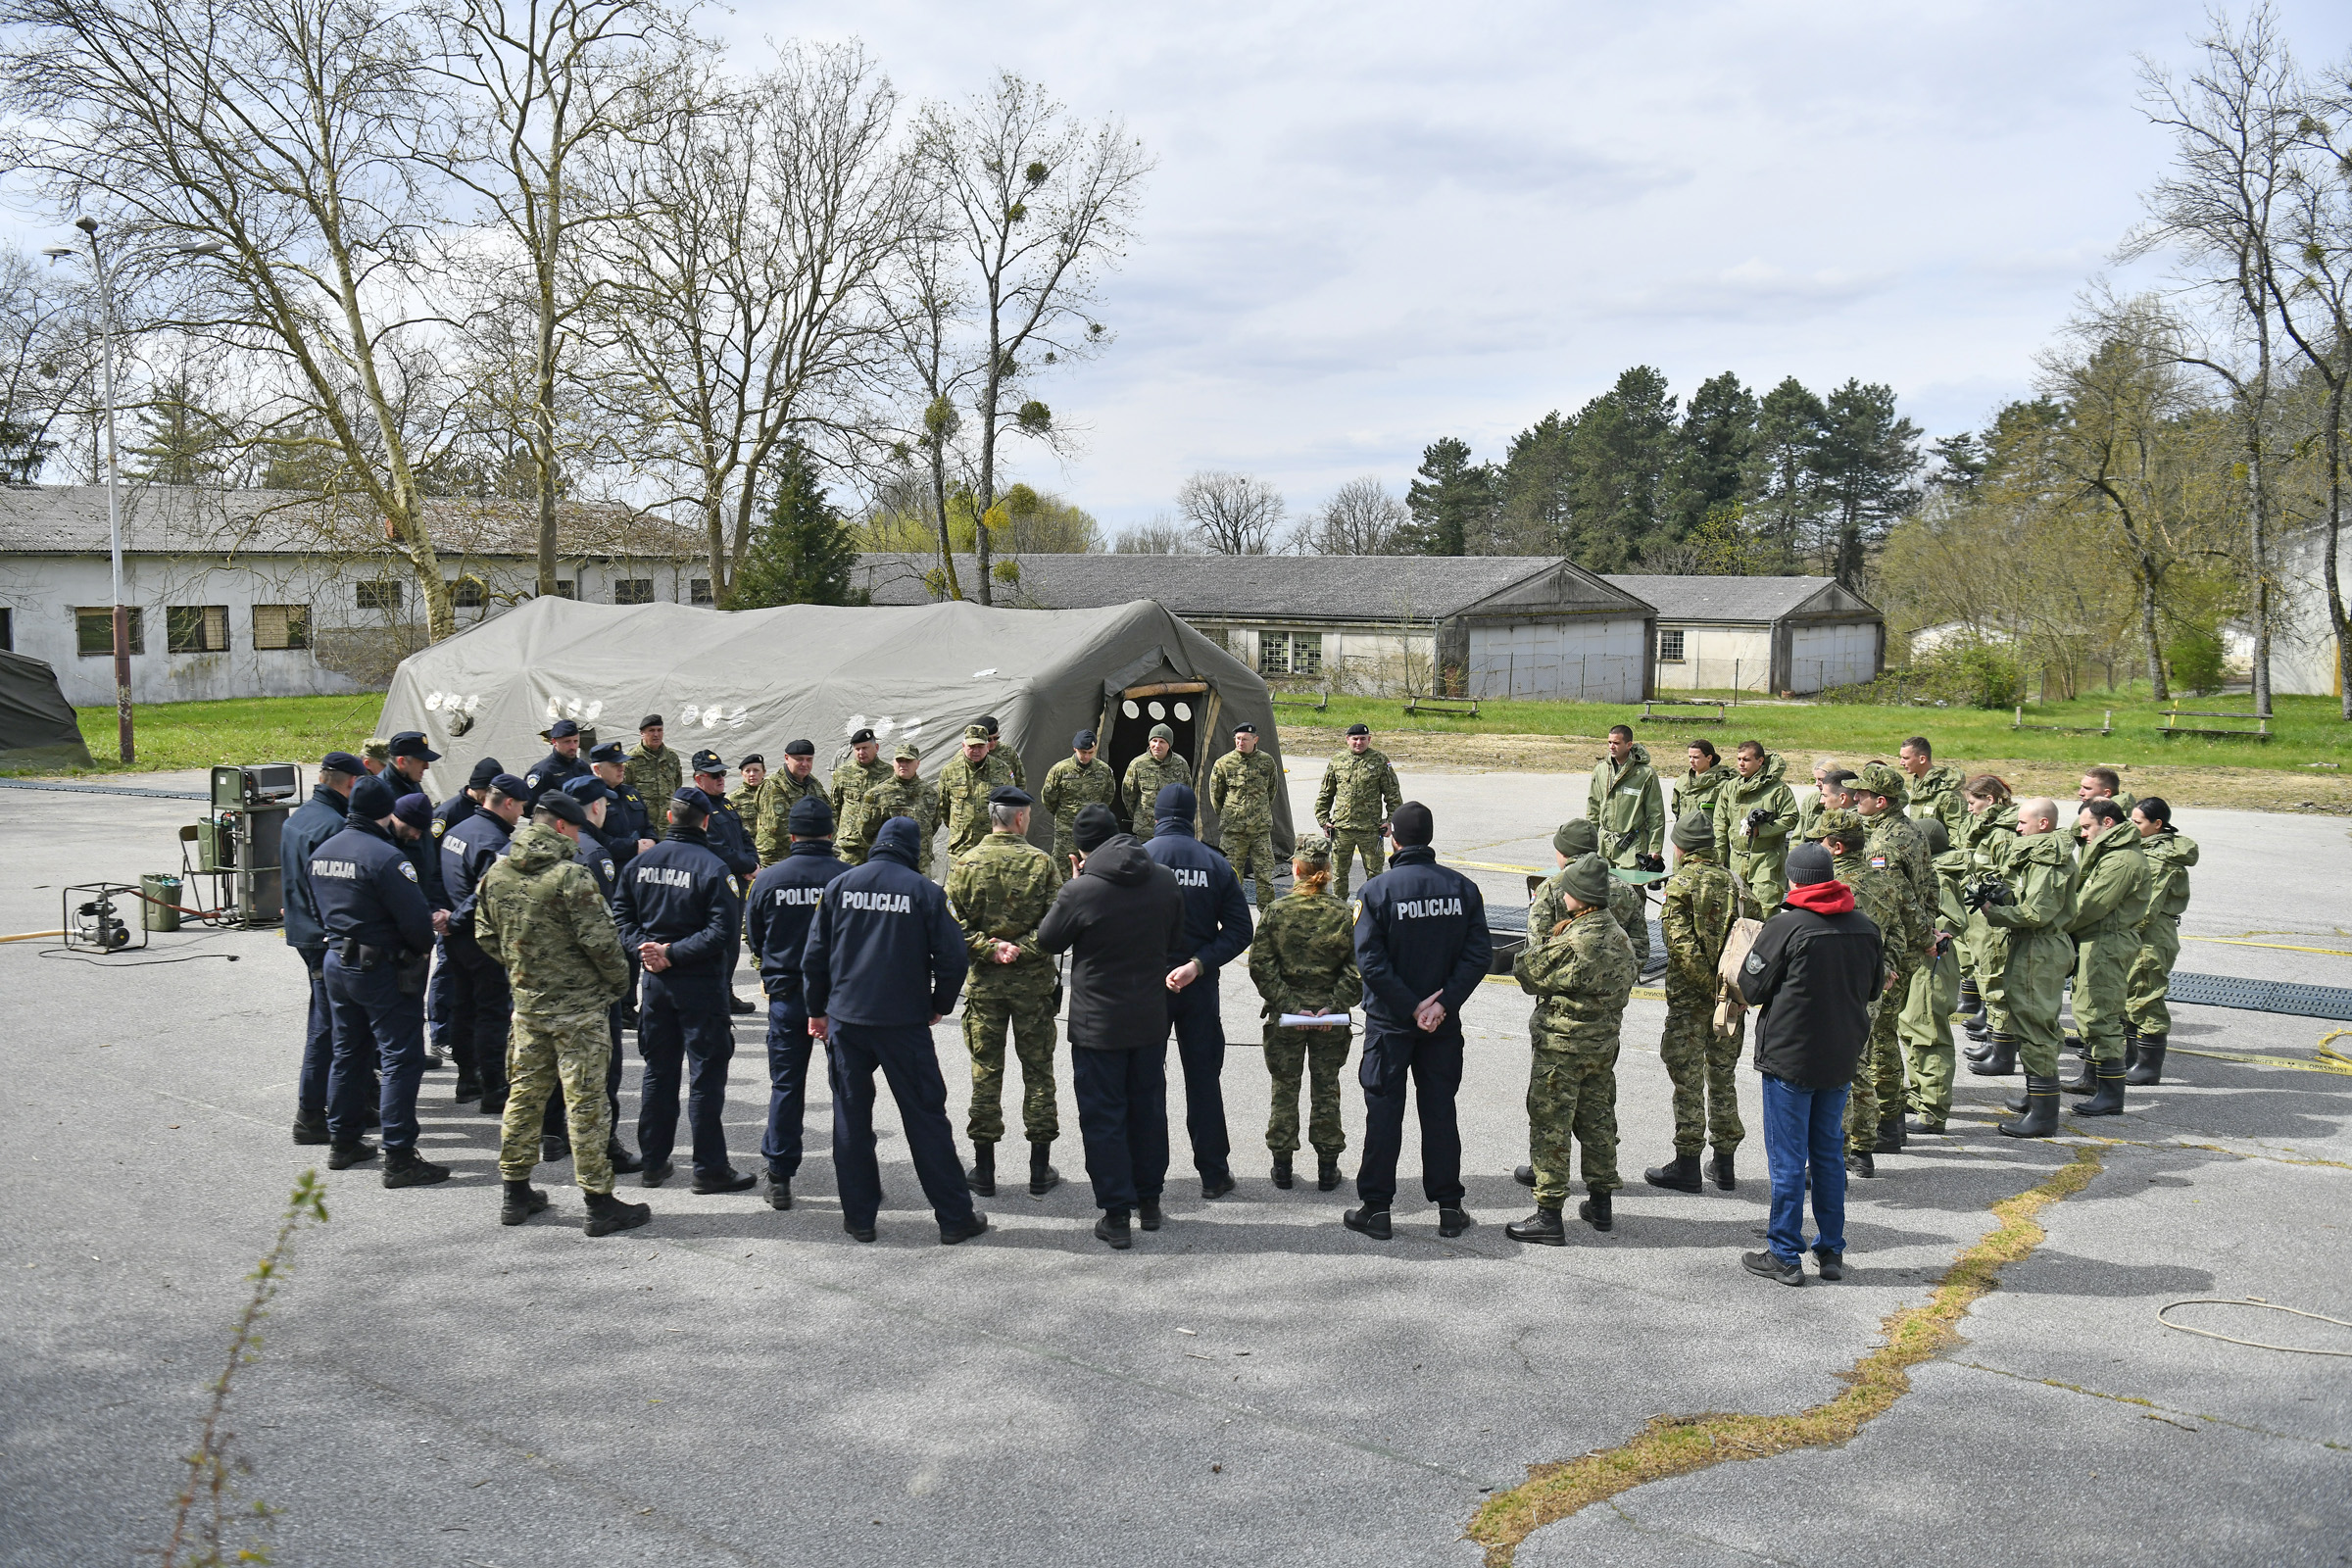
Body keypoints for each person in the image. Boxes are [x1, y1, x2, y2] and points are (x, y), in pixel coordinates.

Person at [804, 814, 988, 1246]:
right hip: (903, 1023)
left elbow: (814, 956)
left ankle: (860, 1217)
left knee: (850, 1117)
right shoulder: (924, 891)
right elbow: (954, 956)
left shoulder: (840, 886)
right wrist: (939, 1005)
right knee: (926, 1118)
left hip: (847, 1020)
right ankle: (955, 1218)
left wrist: (817, 1011)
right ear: (913, 850)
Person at [474, 790, 649, 1237]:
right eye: (574, 830)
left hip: (529, 1008)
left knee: (524, 1100)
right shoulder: (572, 877)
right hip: (580, 1015)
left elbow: (484, 936)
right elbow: (604, 946)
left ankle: (515, 1193)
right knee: (586, 1105)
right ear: (559, 827)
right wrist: (617, 987)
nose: (576, 838)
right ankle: (599, 1202)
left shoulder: (497, 873)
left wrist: (525, 972)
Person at [1036, 804, 1187, 1250]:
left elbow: (1048, 940)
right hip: (1148, 1017)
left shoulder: (1082, 890)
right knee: (1148, 1108)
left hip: (1097, 1024)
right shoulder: (1163, 879)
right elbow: (1176, 940)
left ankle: (1116, 1213)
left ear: (1080, 851)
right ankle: (1151, 1199)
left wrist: (1075, 882)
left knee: (1104, 1116)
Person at [1739, 842, 1884, 1287]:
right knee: (1827, 1157)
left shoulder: (1785, 925)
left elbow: (1751, 986)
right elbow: (1875, 988)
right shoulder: (1865, 926)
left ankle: (1783, 1253)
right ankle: (1831, 1250)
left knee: (1787, 1160)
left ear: (1792, 880)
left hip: (1791, 1059)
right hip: (1839, 1058)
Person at [1346, 801, 1490, 1241]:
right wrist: (1441, 1004)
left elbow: (1370, 961)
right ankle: (1449, 1207)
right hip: (1442, 1026)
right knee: (1440, 1111)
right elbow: (1478, 955)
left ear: (1394, 838)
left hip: (1391, 1023)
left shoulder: (1377, 891)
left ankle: (1376, 1209)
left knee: (1384, 1111)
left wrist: (1411, 1006)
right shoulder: (1463, 889)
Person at [308, 774, 450, 1189]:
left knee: (348, 1051)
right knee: (400, 1057)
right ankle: (400, 1156)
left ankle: (344, 1140)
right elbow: (416, 926)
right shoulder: (388, 858)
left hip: (337, 960)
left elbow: (317, 911)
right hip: (381, 969)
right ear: (386, 814)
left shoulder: (323, 852)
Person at [614, 787, 750, 1191]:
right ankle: (709, 1169)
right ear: (706, 821)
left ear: (670, 818)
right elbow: (724, 932)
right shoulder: (713, 867)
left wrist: (646, 949)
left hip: (656, 984)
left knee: (659, 1072)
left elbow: (620, 915)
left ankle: (654, 1162)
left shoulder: (640, 863)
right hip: (700, 985)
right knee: (705, 1076)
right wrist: (671, 953)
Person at [1506, 852, 1637, 1244]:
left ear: (1582, 897)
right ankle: (1600, 1204)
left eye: (1568, 893)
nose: (1562, 897)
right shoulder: (1619, 937)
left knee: (1551, 1125)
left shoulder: (1574, 943)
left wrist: (1547, 941)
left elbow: (1527, 973)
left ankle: (1549, 1213)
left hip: (1561, 1048)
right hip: (1602, 1047)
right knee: (1598, 1121)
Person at [946, 786, 1066, 1199]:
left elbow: (951, 923)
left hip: (984, 987)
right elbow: (1057, 923)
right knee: (1039, 1073)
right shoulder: (1042, 863)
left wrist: (988, 948)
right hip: (1032, 987)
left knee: (986, 1073)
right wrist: (1024, 949)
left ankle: (984, 1171)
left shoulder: (964, 864)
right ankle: (1039, 1169)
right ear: (1019, 818)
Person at [1143, 782, 1253, 1200]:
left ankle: (1150, 1177)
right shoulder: (1217, 864)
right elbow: (1241, 930)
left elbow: (1121, 922)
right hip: (1199, 987)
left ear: (1155, 815)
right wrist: (1198, 964)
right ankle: (1214, 1173)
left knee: (1148, 1080)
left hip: (1149, 987)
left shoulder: (1139, 859)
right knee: (1203, 1078)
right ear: (1193, 818)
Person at [745, 795, 853, 1209]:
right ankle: (854, 1175)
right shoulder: (847, 879)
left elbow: (755, 938)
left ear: (790, 835)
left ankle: (780, 1177)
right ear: (831, 833)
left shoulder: (768, 880)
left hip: (788, 997)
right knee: (847, 1089)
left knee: (786, 1086)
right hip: (837, 1000)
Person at [1643, 809, 1757, 1193]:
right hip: (1732, 1002)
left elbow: (1679, 946)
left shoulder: (1681, 885)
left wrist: (1708, 987)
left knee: (1688, 1081)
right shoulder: (1738, 884)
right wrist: (1733, 991)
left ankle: (1687, 1162)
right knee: (1723, 1078)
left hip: (1692, 1004)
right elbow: (1754, 941)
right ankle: (1724, 1164)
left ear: (1680, 848)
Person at [1248, 834, 1359, 1191]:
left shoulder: (1277, 912)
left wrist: (1291, 1006)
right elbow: (1356, 971)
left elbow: (1262, 966)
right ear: (1327, 869)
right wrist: (1333, 1005)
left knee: (1285, 1086)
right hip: (1330, 1019)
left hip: (1287, 1018)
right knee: (1326, 1088)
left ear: (1295, 868)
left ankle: (1282, 1166)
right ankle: (1328, 1167)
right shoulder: (1344, 913)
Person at [1814, 811, 1918, 1178]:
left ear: (1837, 846)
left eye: (1821, 842)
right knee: (1862, 1063)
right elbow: (1900, 935)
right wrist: (1887, 968)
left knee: (1840, 1069)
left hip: (1839, 989)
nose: (1817, 849)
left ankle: (1839, 1156)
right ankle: (1864, 1149)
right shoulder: (1886, 881)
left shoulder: (1835, 887)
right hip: (1873, 988)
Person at [558, 776, 644, 1174]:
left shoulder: (518, 852)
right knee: (599, 1071)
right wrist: (621, 980)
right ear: (594, 808)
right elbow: (606, 930)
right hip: (590, 987)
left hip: (540, 984)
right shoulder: (593, 853)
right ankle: (604, 1149)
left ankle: (551, 1136)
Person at [1976, 798, 2077, 1138]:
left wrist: (1995, 912)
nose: (2017, 829)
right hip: (2032, 946)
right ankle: (2038, 1097)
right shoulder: (2038, 858)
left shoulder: (2048, 863)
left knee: (2036, 1028)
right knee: (2028, 1021)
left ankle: (2045, 1115)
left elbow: (2037, 913)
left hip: (2040, 948)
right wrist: (2005, 897)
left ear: (2043, 824)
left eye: (2022, 823)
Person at [1851, 763, 1933, 1156]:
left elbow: (1901, 899)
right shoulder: (1912, 830)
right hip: (1908, 944)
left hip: (1895, 949)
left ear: (1880, 802)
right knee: (1884, 1036)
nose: (1855, 800)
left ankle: (1886, 1122)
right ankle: (1889, 1122)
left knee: (1880, 1039)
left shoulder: (1883, 845)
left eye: (1862, 796)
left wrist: (1920, 937)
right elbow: (1930, 887)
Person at [285, 753, 362, 1144]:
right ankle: (310, 1114)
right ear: (348, 784)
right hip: (323, 936)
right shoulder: (334, 826)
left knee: (333, 1022)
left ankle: (349, 1102)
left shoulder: (299, 816)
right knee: (327, 1026)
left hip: (303, 930)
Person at [442, 773, 529, 1111]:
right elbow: (485, 894)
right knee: (491, 1013)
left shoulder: (456, 831)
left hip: (456, 938)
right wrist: (456, 919)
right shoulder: (494, 843)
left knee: (463, 1008)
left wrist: (445, 917)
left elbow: (441, 879)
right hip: (481, 938)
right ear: (507, 803)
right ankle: (493, 1087)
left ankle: (466, 1080)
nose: (521, 815)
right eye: (520, 807)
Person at [2062, 797, 2149, 1117]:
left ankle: (2111, 1095)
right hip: (2096, 940)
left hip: (2106, 943)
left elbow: (2089, 905)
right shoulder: (2109, 851)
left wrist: (2052, 924)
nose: (2083, 834)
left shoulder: (2122, 861)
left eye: (2087, 827)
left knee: (2100, 1016)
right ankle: (2095, 1081)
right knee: (2089, 1012)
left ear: (2108, 823)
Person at [428, 756, 502, 1073]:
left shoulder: (476, 815)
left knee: (464, 988)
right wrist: (440, 911)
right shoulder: (447, 813)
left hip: (461, 915)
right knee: (448, 975)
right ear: (483, 791)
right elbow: (433, 866)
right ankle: (440, 1033)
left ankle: (461, 1046)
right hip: (451, 913)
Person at [1899, 815, 1967, 1134]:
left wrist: (1931, 934)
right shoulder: (1927, 871)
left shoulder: (1941, 875)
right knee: (1912, 1030)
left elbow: (1954, 919)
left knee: (1929, 1035)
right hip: (1919, 962)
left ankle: (1933, 1110)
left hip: (1934, 963)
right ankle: (1919, 1095)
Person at [2124, 797, 2195, 1087]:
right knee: (2129, 994)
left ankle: (2149, 1066)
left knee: (2145, 995)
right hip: (2137, 931)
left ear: (2157, 825)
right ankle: (2131, 1057)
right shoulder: (2142, 847)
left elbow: (2146, 906)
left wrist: (2120, 931)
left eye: (2138, 822)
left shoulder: (2160, 856)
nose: (2132, 826)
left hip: (2149, 934)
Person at [1529, 819, 1648, 971]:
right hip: (1615, 987)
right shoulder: (1624, 888)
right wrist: (1621, 979)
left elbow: (1536, 948)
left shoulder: (1550, 887)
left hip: (1564, 987)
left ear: (1563, 851)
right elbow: (1640, 945)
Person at [1957, 775, 2021, 1059]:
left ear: (1990, 800)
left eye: (1973, 803)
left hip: (1993, 917)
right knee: (1984, 974)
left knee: (1996, 980)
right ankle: (1995, 1038)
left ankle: (2003, 1050)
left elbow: (2007, 878)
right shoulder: (1985, 826)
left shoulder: (2003, 833)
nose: (1969, 809)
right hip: (1980, 914)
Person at [1314, 722, 1402, 899]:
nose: (1358, 743)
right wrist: (1323, 820)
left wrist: (1390, 820)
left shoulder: (1379, 760)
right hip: (1342, 829)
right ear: (1347, 739)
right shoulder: (1337, 761)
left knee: (1375, 874)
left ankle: (1375, 910)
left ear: (1369, 740)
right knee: (1339, 875)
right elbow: (1326, 793)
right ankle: (1341, 911)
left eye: (1363, 739)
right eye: (1355, 739)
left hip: (1370, 830)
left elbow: (1393, 795)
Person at [1206, 720, 1284, 910]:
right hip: (1233, 831)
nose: (1241, 742)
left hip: (1260, 832)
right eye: (1238, 739)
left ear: (1255, 740)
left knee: (1265, 875)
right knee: (1230, 875)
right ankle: (1232, 914)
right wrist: (1232, 815)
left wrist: (1259, 813)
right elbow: (1216, 796)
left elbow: (1271, 791)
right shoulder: (1224, 763)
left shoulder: (1267, 762)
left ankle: (1267, 916)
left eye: (1245, 739)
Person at [1714, 740, 1798, 912]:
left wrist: (1763, 830)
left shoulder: (1777, 790)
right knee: (1737, 910)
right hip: (1737, 859)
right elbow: (1720, 823)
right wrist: (1720, 856)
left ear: (1760, 761)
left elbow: (1791, 817)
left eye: (1746, 759)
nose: (1741, 764)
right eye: (1738, 759)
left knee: (1765, 910)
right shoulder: (1731, 787)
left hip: (1767, 858)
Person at [1586, 724, 1665, 869]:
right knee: (1600, 887)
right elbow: (1593, 808)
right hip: (1605, 842)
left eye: (1616, 743)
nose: (1611, 747)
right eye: (1609, 742)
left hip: (1631, 844)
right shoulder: (1601, 771)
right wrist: (1588, 840)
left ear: (1629, 745)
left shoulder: (1645, 774)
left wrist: (1655, 847)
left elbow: (1656, 813)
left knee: (1631, 889)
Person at [1040, 730, 1117, 872]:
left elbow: (1107, 797)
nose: (1086, 756)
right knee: (1062, 872)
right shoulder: (1060, 770)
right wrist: (1065, 816)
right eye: (1083, 752)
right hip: (1066, 833)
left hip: (1093, 832)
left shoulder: (1104, 771)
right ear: (1075, 748)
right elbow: (1048, 798)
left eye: (1090, 752)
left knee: (1094, 870)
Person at [862, 742, 943, 873]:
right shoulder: (877, 794)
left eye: (908, 760)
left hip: (920, 865)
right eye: (900, 760)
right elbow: (866, 831)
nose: (903, 764)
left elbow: (934, 824)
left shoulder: (930, 794)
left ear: (918, 763)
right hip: (889, 863)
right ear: (893, 763)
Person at [939, 724, 1013, 862]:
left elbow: (1011, 804)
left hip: (993, 844)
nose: (976, 751)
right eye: (972, 746)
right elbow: (944, 807)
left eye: (980, 746)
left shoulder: (1002, 770)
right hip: (962, 846)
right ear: (963, 745)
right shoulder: (950, 771)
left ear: (987, 747)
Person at [751, 738, 826, 865]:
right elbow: (777, 827)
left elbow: (829, 812)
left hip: (807, 854)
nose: (804, 764)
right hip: (776, 859)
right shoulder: (774, 785)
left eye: (809, 759)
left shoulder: (812, 783)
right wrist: (812, 846)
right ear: (787, 758)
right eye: (799, 759)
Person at [1121, 722, 1193, 844]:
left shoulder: (1181, 765)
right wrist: (1140, 817)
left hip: (1172, 829)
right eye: (1154, 740)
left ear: (1169, 744)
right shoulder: (1137, 764)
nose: (1157, 745)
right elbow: (1128, 795)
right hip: (1145, 831)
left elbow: (1186, 793)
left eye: (1162, 742)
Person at [829, 727, 892, 865]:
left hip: (878, 843)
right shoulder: (843, 773)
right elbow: (835, 807)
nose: (861, 753)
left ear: (876, 747)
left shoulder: (889, 774)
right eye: (857, 749)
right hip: (850, 845)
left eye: (865, 748)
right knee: (849, 884)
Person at [1899, 736, 1967, 846]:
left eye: (1905, 758)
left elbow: (1958, 837)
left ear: (1922, 759)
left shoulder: (1947, 794)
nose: (1901, 763)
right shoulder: (1918, 788)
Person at [625, 715, 682, 836]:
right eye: (651, 731)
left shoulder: (672, 758)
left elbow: (677, 787)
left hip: (669, 829)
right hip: (644, 830)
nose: (656, 734)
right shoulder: (631, 760)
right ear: (642, 733)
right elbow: (625, 794)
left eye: (659, 730)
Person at [521, 717, 590, 809]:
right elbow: (527, 806)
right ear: (554, 742)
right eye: (567, 742)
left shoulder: (583, 767)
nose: (573, 746)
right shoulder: (543, 771)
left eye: (575, 741)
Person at [1677, 739, 1733, 819]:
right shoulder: (1682, 782)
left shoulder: (1723, 784)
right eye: (1690, 757)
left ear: (1709, 758)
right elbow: (1676, 809)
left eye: (1696, 757)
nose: (1691, 761)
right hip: (1685, 830)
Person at [978, 713, 1026, 790]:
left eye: (996, 738)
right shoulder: (973, 753)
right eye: (989, 740)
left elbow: (1020, 780)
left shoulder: (1007, 751)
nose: (993, 743)